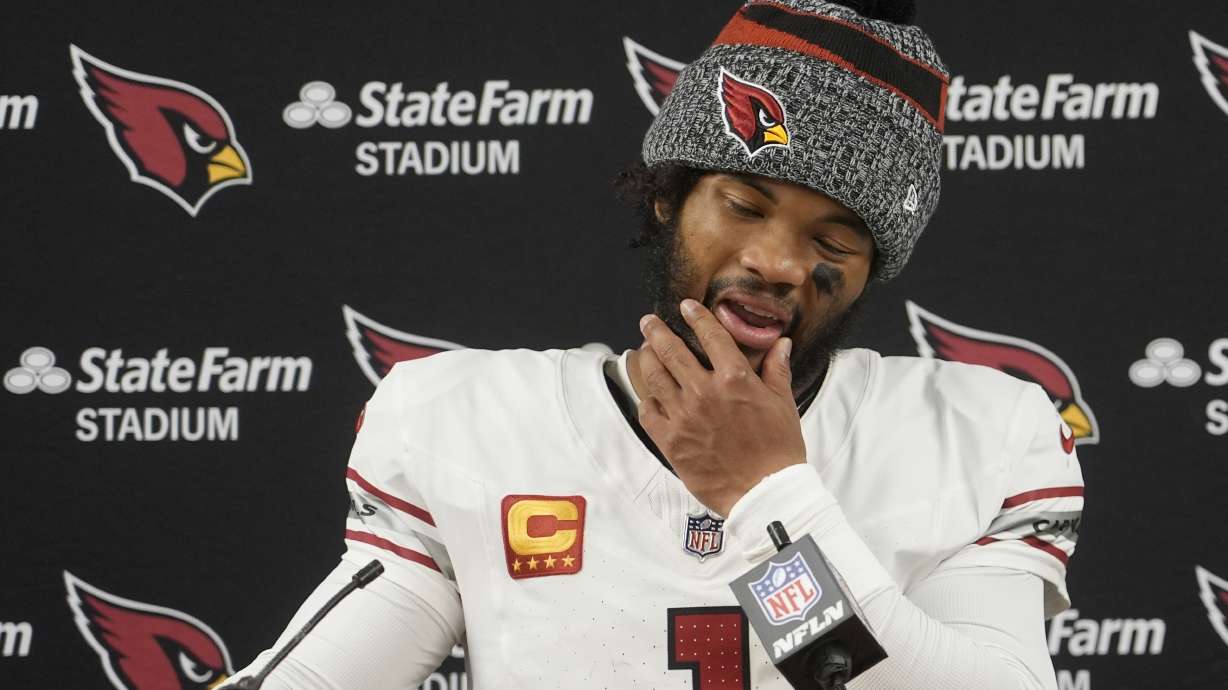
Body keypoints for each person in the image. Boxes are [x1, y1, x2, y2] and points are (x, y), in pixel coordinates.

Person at [226, 1, 1083, 688]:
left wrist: (762, 495)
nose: (777, 263)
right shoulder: (465, 423)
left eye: (835, 240)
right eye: (744, 206)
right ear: (667, 198)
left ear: (872, 270)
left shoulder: (977, 435)